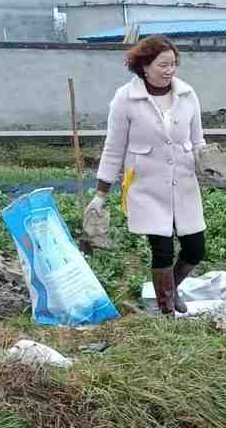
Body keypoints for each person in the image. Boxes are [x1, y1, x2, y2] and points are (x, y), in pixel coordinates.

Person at [88, 36, 208, 317]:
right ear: (144, 66)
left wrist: (214, 164)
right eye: (162, 65)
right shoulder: (125, 99)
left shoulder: (187, 95)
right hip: (147, 187)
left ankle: (171, 290)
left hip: (184, 184)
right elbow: (113, 148)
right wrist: (101, 193)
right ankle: (166, 311)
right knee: (162, 249)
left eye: (173, 64)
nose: (169, 70)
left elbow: (198, 141)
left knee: (195, 249)